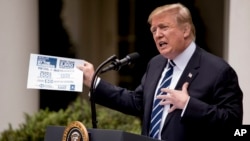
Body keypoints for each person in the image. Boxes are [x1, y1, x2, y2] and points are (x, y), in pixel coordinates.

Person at [78, 3, 243, 141]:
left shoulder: (218, 70)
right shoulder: (156, 64)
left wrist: (188, 105)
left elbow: (234, 126)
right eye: (153, 30)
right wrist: (93, 81)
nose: (157, 35)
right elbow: (137, 103)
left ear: (185, 30)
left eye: (163, 27)